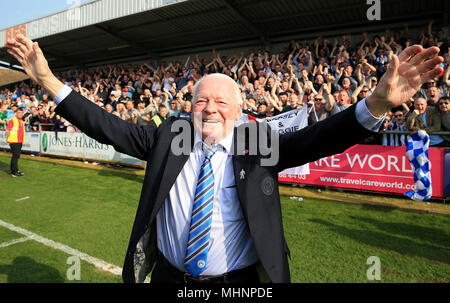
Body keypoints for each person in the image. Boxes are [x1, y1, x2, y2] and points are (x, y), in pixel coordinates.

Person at [6, 34, 443, 283]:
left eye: (220, 102)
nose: (209, 108)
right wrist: (46, 79)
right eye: (201, 101)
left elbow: (318, 139)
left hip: (240, 284)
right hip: (169, 279)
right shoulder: (168, 138)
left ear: (238, 111)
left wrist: (377, 104)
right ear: (189, 107)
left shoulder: (258, 142)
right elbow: (106, 125)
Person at [5, 107, 25, 177]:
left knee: (17, 156)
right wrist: (8, 138)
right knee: (15, 156)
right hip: (13, 141)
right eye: (19, 113)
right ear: (16, 113)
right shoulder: (12, 120)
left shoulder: (21, 120)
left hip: (19, 140)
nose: (20, 114)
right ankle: (14, 172)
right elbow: (7, 130)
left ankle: (16, 170)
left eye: (21, 113)